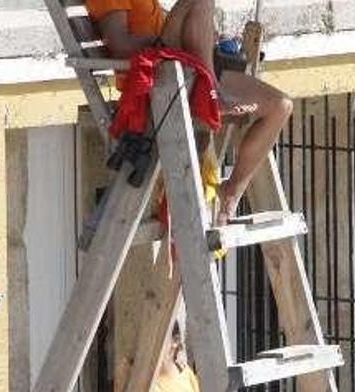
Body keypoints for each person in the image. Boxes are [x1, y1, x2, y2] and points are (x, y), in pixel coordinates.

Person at [86, 0, 294, 226]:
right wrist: (168, 37)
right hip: (157, 77)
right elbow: (120, 45)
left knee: (280, 106)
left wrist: (202, 36)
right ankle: (212, 92)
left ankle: (231, 195)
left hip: (184, 67)